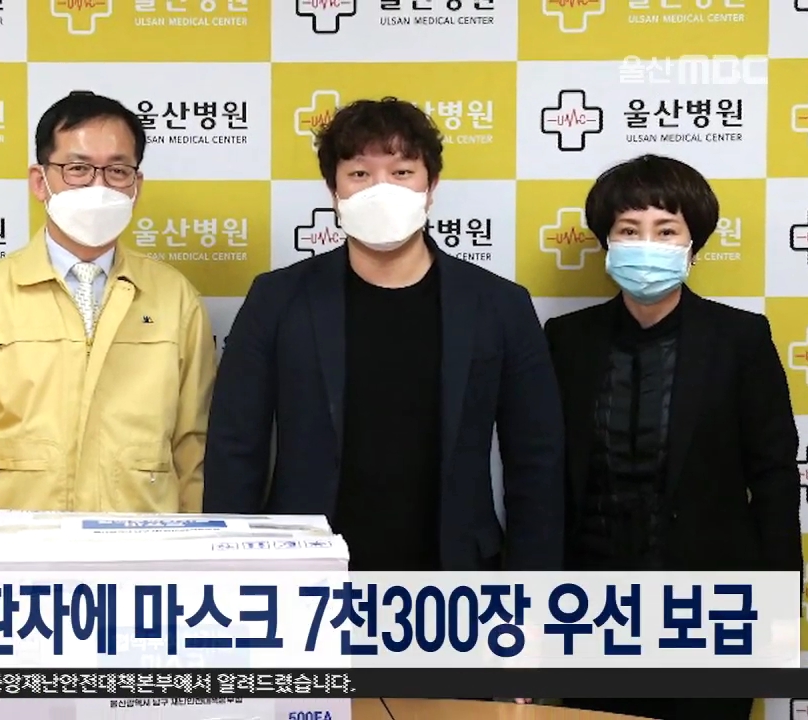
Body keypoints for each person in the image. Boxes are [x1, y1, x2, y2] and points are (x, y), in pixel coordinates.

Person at [203, 98, 564, 572]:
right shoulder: (278, 298)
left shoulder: (499, 305)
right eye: (359, 174)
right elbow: (235, 446)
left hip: (456, 574)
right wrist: (231, 574)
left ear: (431, 186)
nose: (381, 190)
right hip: (304, 572)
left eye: (401, 173)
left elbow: (536, 458)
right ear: (333, 189)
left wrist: (533, 587)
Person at [0, 91, 216, 571]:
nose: (99, 185)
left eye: (117, 171)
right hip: (13, 572)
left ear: (137, 184)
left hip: (143, 572)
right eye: (78, 169)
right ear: (40, 181)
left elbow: (192, 453)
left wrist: (186, 563)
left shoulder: (175, 299)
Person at [548, 155, 802, 720]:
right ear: (606, 242)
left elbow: (775, 477)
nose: (647, 244)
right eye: (628, 229)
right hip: (593, 608)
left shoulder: (740, 338)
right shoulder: (566, 340)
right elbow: (543, 476)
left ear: (693, 243)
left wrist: (780, 605)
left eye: (666, 231)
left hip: (714, 608)